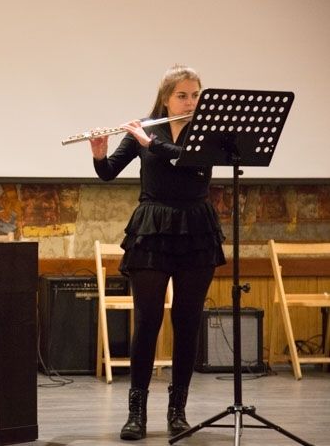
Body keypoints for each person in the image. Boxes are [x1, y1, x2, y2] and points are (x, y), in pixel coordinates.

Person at [89, 65, 226, 440]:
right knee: (147, 320)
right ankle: (136, 413)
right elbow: (108, 173)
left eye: (195, 95)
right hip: (152, 228)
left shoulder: (206, 133)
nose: (190, 102)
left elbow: (190, 164)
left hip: (196, 228)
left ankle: (177, 411)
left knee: (187, 320)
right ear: (166, 98)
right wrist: (99, 155)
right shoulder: (143, 129)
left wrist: (150, 144)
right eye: (182, 95)